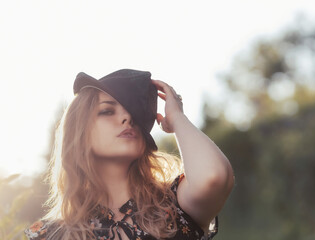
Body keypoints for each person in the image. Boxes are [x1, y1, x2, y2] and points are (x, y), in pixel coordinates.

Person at [24, 69, 234, 240]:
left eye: (134, 113)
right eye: (107, 111)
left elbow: (215, 177)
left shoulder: (174, 205)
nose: (127, 117)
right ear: (80, 131)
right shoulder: (49, 235)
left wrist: (177, 118)